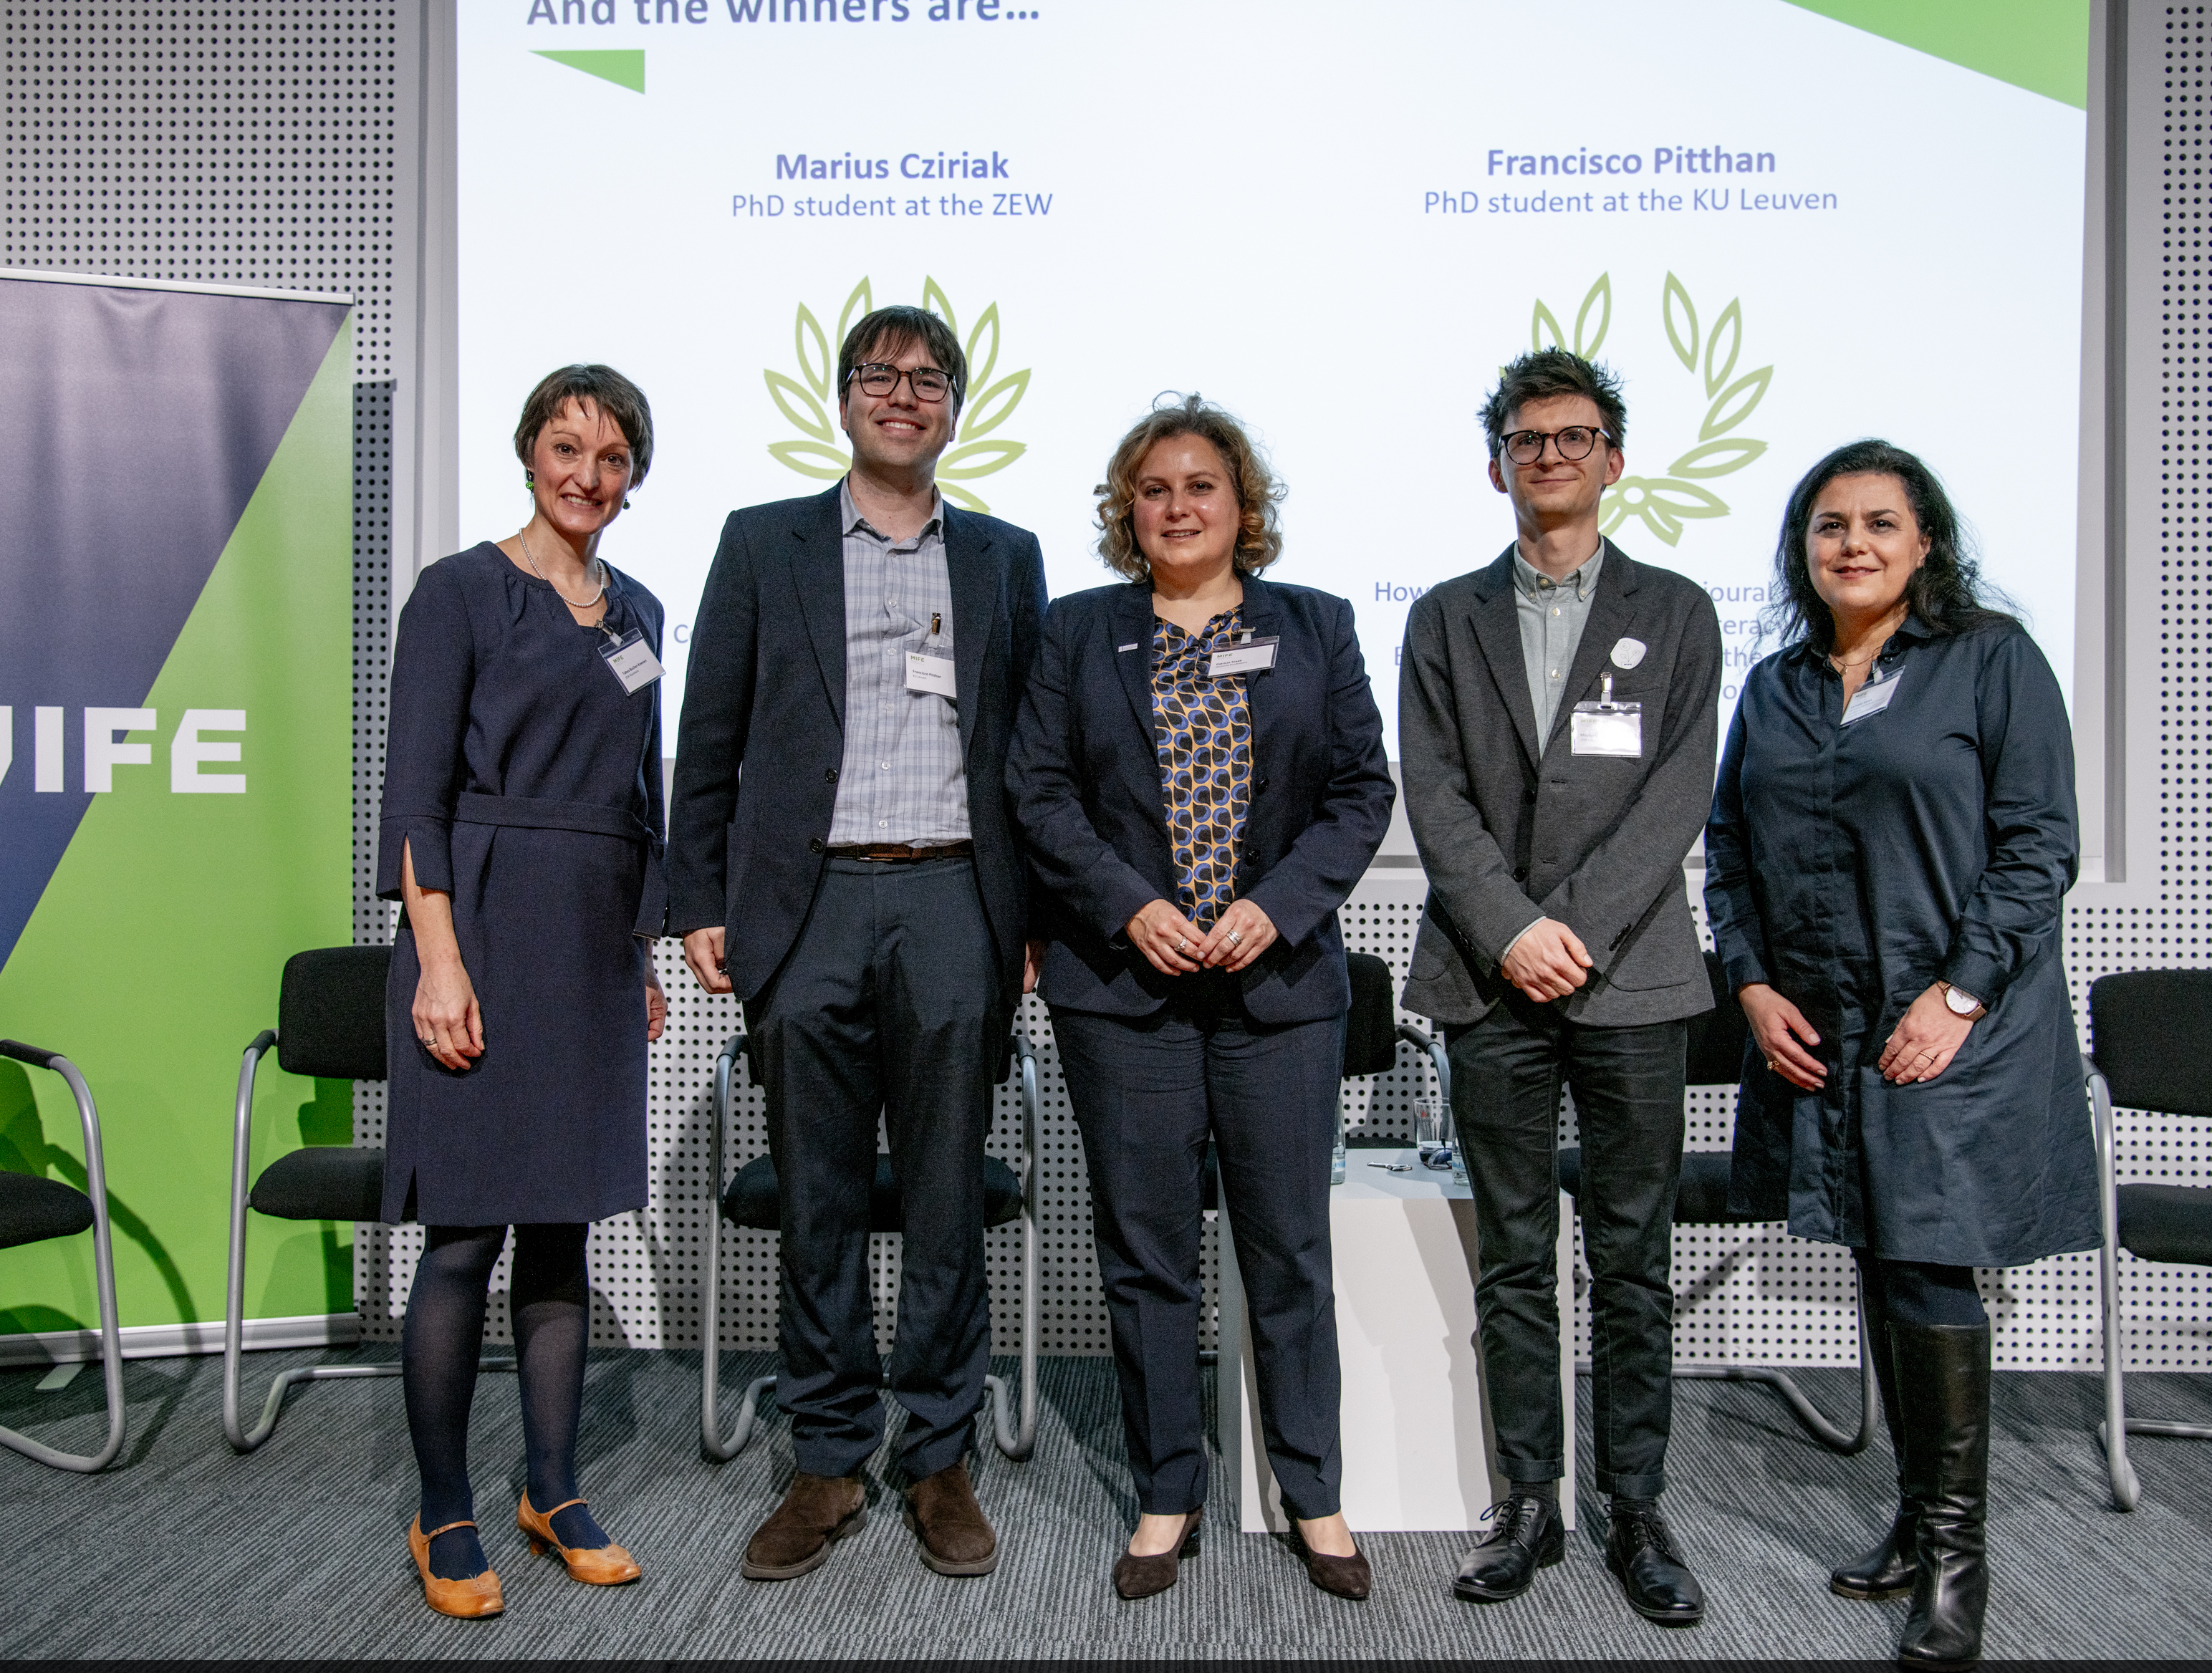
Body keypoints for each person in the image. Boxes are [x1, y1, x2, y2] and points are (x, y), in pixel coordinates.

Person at [668, 304, 1049, 1583]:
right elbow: (707, 731)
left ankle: (939, 1457)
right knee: (818, 1201)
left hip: (955, 902)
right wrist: (696, 900)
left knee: (945, 1199)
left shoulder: (1004, 557)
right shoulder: (763, 543)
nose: (905, 396)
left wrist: (1033, 917)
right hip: (808, 906)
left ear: (954, 406)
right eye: (880, 377)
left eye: (928, 379)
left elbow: (1035, 763)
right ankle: (827, 1458)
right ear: (843, 400)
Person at [1703, 440, 2093, 1671]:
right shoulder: (1777, 687)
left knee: (1927, 1268)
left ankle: (1957, 1557)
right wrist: (1752, 987)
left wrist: (1960, 994)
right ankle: (1914, 1522)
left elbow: (2039, 845)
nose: (1853, 544)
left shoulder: (1991, 660)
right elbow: (1729, 855)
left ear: (1928, 541)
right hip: (1822, 1026)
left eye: (1880, 522)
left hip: (1956, 1029)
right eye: (1829, 525)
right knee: (1878, 1263)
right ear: (1802, 549)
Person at [1009, 396, 1393, 1602]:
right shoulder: (1077, 634)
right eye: (1155, 489)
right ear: (1130, 510)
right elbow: (1040, 791)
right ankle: (1166, 1489)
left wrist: (1277, 903)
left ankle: (1312, 1491)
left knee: (1287, 1250)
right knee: (1148, 1255)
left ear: (1243, 507)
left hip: (1277, 987)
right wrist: (1129, 903)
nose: (1178, 506)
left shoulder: (1318, 627)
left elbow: (1359, 793)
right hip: (1124, 989)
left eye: (1202, 487)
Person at [1398, 349, 1723, 1624]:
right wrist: (1512, 930)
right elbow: (1435, 792)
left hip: (1631, 979)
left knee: (1633, 1256)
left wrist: (1568, 929)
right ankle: (1530, 1494)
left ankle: (1634, 1500)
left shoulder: (1681, 610)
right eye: (1527, 440)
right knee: (1516, 1258)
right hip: (1490, 981)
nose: (1550, 456)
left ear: (1614, 457)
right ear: (1497, 464)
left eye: (1574, 436)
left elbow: (1676, 794)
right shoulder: (1443, 615)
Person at [376, 364, 668, 1619]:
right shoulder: (457, 593)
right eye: (566, 447)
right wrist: (439, 960)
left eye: (611, 457)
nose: (586, 475)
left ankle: (550, 1484)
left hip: (593, 942)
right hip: (481, 930)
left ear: (632, 477)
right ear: (528, 452)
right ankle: (443, 1509)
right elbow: (413, 800)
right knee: (463, 1241)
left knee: (561, 1231)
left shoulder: (642, 610)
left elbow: (640, 797)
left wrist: (644, 949)